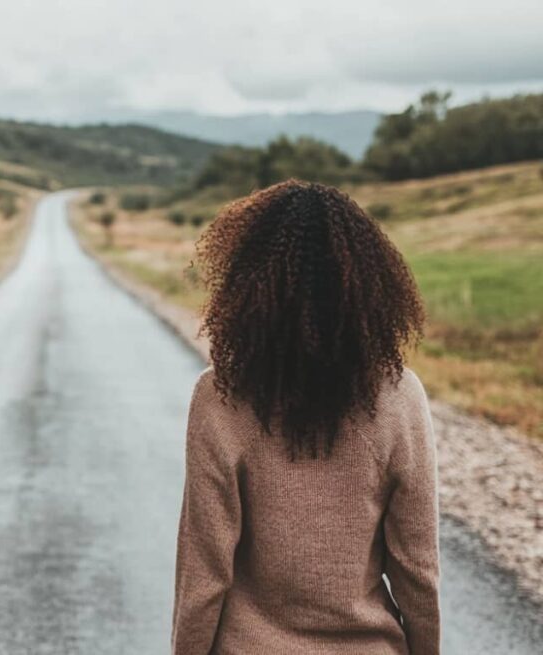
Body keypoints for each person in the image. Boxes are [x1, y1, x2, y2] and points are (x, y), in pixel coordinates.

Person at [172, 180, 438, 654]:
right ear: (370, 287)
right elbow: (417, 569)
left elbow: (204, 572)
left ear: (249, 284)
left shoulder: (221, 397)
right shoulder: (400, 397)